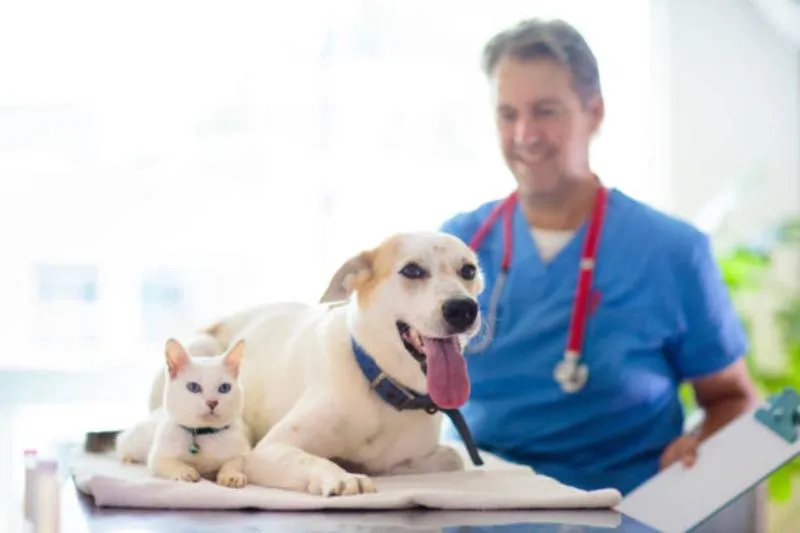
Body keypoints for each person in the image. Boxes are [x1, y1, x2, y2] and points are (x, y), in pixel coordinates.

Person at [438, 18, 760, 497]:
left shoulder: (672, 252)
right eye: (508, 114)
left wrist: (699, 444)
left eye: (546, 111)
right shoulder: (454, 247)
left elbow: (733, 398)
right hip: (472, 511)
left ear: (595, 112)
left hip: (623, 513)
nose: (525, 134)